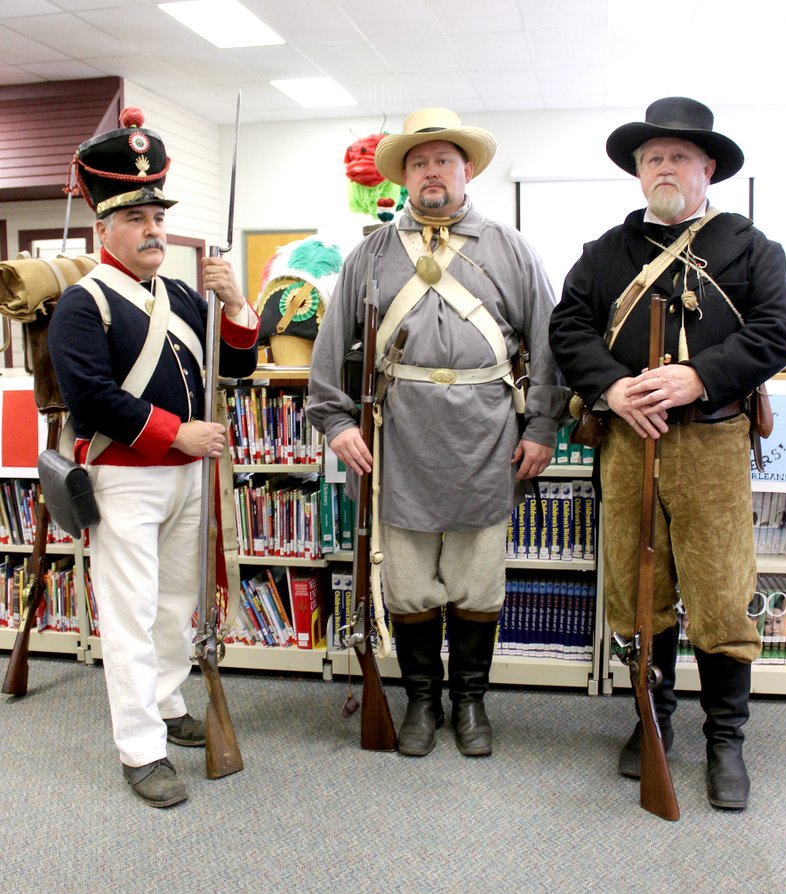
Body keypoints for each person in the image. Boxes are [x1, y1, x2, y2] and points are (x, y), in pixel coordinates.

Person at [549, 97, 786, 810]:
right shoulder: (603, 253)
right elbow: (569, 329)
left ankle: (727, 740)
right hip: (630, 442)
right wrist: (613, 387)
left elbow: (782, 329)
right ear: (638, 171)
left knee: (721, 593)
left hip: (714, 440)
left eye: (679, 156)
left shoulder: (751, 247)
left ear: (707, 168)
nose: (665, 167)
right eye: (652, 157)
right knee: (638, 592)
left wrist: (701, 375)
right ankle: (652, 720)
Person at [308, 108, 567, 758]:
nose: (431, 173)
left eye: (443, 161)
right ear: (404, 175)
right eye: (419, 163)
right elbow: (332, 345)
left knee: (478, 578)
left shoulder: (509, 247)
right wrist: (337, 421)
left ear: (466, 169)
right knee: (410, 580)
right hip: (402, 437)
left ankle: (470, 701)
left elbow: (547, 341)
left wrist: (540, 427)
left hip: (487, 433)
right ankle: (421, 697)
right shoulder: (370, 253)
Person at [48, 108, 259, 807]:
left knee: (176, 604)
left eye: (157, 216)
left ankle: (168, 702)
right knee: (131, 613)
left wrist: (235, 304)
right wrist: (179, 433)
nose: (153, 229)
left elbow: (237, 366)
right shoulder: (83, 302)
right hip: (126, 477)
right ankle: (141, 748)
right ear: (103, 228)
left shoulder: (180, 294)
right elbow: (94, 398)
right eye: (135, 218)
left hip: (186, 476)